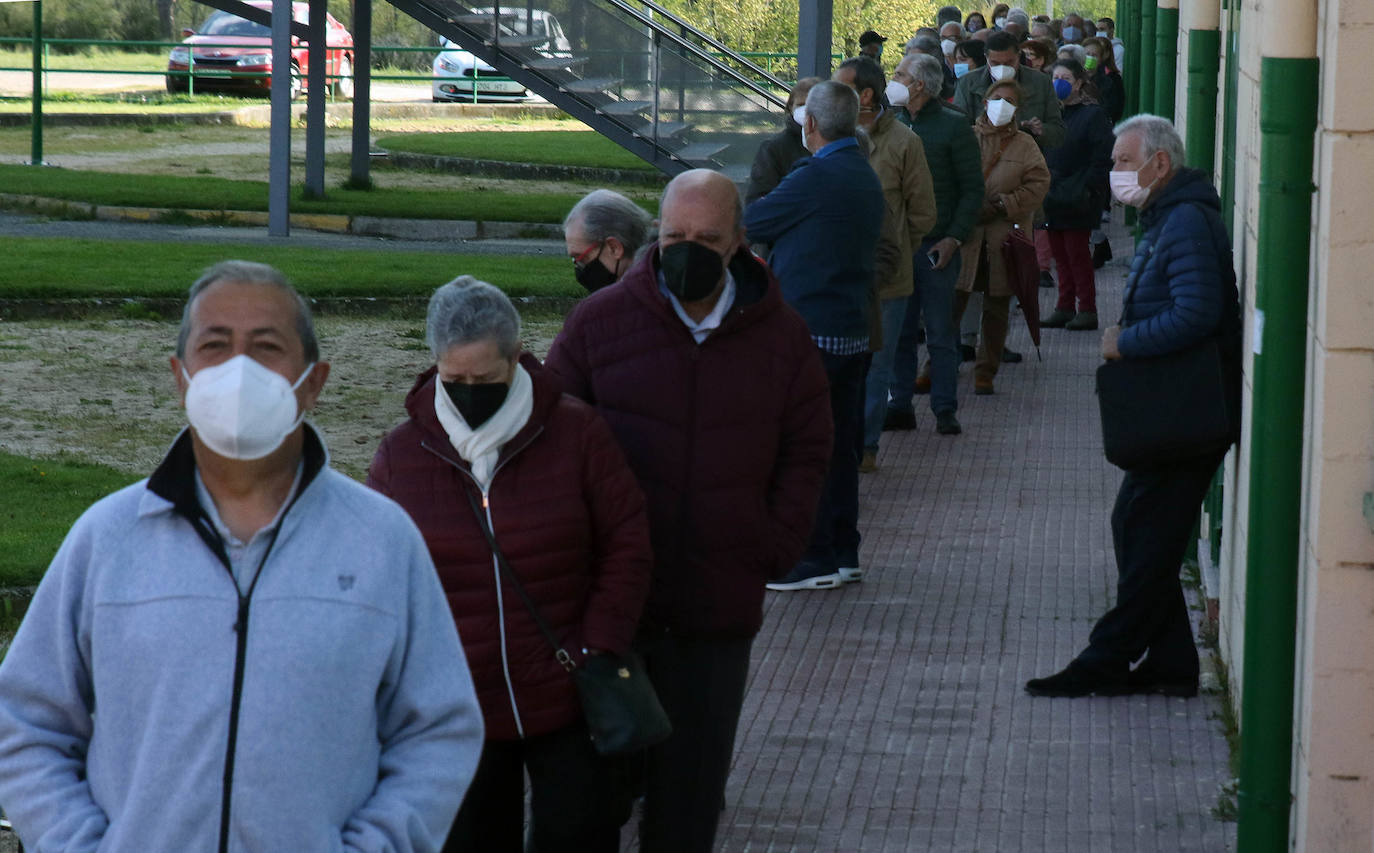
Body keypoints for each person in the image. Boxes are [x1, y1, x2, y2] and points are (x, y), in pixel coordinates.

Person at [0, 260, 486, 852]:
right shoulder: (107, 539)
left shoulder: (382, 540)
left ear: (313, 380)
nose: (238, 367)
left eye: (267, 345)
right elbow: (25, 723)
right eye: (214, 344)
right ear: (180, 377)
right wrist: (78, 844)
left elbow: (437, 730)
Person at [545, 169, 832, 851]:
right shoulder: (599, 322)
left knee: (688, 807)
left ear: (738, 242)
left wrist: (773, 542)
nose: (688, 249)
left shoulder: (781, 338)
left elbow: (810, 446)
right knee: (587, 802)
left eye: (706, 237)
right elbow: (550, 440)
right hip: (613, 609)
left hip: (716, 611)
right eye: (676, 235)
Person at [367, 277, 652, 852]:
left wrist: (598, 642)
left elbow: (627, 543)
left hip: (571, 689)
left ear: (517, 359)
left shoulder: (577, 432)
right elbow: (383, 580)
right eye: (456, 380)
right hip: (460, 703)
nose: (471, 392)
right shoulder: (400, 456)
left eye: (487, 380)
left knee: (579, 832)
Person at [1026, 116, 1240, 699]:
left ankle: (1105, 659)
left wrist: (1126, 341)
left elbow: (1198, 313)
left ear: (1159, 164)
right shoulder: (1170, 218)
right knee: (1141, 528)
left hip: (1189, 413)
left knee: (1145, 532)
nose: (1116, 173)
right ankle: (1170, 662)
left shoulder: (1188, 223)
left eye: (1123, 162)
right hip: (1179, 409)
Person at [743, 81, 884, 591]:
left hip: (810, 333)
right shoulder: (862, 173)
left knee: (805, 451)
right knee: (841, 447)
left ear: (810, 125)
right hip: (850, 329)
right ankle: (843, 551)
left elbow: (753, 218)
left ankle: (812, 558)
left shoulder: (815, 175)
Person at [832, 57, 937, 468]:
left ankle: (865, 447)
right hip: (836, 275)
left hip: (886, 282)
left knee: (876, 365)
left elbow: (923, 213)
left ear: (866, 95)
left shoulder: (905, 143)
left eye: (841, 88)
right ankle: (836, 443)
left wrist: (891, 254)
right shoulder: (828, 135)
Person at [887, 52, 983, 437]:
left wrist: (954, 238)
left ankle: (945, 408)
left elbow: (972, 190)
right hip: (897, 245)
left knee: (942, 333)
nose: (891, 79)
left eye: (898, 74)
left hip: (936, 247)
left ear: (919, 85)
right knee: (899, 331)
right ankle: (899, 404)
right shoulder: (890, 123)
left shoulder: (954, 127)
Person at [952, 79, 1049, 395]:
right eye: (998, 98)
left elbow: (1038, 185)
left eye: (1010, 100)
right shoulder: (965, 136)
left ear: (1018, 109)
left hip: (1003, 239)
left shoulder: (1025, 144)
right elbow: (946, 177)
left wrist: (1003, 204)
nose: (1002, 105)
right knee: (951, 305)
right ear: (985, 102)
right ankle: (938, 365)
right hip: (965, 238)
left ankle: (986, 371)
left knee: (996, 308)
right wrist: (966, 208)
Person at [1040, 59, 1113, 332]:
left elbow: (1103, 155)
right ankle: (1064, 305)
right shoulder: (1053, 115)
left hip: (1078, 195)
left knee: (1077, 254)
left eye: (1066, 78)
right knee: (1060, 254)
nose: (1059, 82)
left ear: (1080, 83)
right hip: (1053, 192)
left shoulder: (1092, 115)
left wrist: (1089, 187)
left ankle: (1087, 309)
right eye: (1055, 77)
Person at [954, 30, 1066, 152]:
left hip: (1026, 157)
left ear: (1018, 56)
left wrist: (1040, 130)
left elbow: (1058, 133)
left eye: (1009, 62)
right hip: (982, 158)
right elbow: (958, 131)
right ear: (986, 58)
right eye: (995, 63)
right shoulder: (967, 83)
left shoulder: (1041, 82)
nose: (1002, 67)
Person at [746, 76, 821, 204]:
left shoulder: (839, 141)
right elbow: (758, 198)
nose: (806, 110)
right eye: (801, 105)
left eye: (812, 104)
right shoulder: (774, 148)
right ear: (791, 107)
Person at [564, 189, 653, 292]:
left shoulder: (639, 301)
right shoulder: (655, 287)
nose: (579, 269)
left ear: (614, 248)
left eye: (581, 258)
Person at [1084, 35, 1124, 123]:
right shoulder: (1074, 79)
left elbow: (1113, 109)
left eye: (1094, 55)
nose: (1090, 58)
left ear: (1101, 58)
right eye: (1087, 54)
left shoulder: (1108, 82)